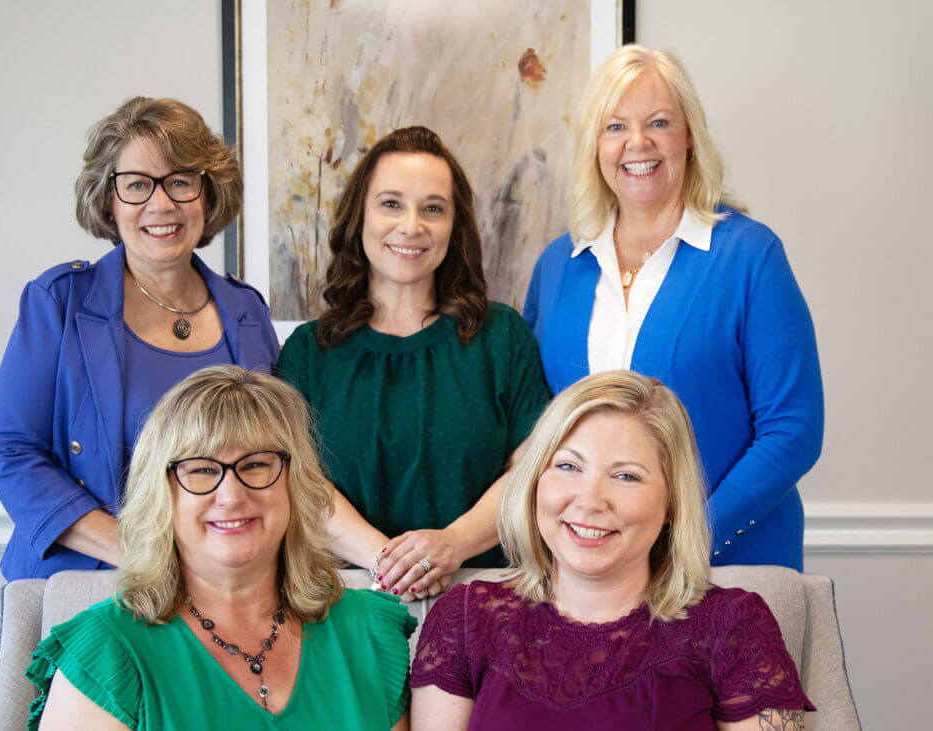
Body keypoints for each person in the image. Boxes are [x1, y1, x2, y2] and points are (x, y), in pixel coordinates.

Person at [523, 45, 823, 569]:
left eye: (659, 122)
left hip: (729, 565)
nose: (637, 143)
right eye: (615, 127)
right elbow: (534, 425)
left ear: (689, 135)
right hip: (588, 571)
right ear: (594, 145)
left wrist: (688, 540)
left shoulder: (750, 257)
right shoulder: (558, 266)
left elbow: (793, 431)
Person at [411, 371, 814, 730]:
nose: (590, 500)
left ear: (672, 502)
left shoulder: (733, 626)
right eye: (568, 466)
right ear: (535, 480)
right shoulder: (464, 619)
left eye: (625, 476)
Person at [0, 98, 279, 580]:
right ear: (109, 199)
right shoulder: (59, 303)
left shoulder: (247, 312)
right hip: (89, 580)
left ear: (208, 194)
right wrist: (142, 554)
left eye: (180, 181)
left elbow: (268, 462)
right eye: (137, 185)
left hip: (222, 585)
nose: (161, 204)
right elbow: (10, 451)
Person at [26, 366, 415, 730]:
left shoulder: (370, 632)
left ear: (296, 483)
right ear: (161, 495)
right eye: (201, 470)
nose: (231, 495)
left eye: (256, 465)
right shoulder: (107, 653)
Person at [277, 126, 549, 599]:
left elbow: (534, 469)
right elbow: (297, 482)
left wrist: (453, 545)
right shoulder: (308, 352)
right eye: (391, 203)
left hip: (484, 601)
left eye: (433, 209)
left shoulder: (502, 338)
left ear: (454, 227)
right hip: (343, 604)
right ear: (358, 216)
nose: (411, 225)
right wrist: (393, 563)